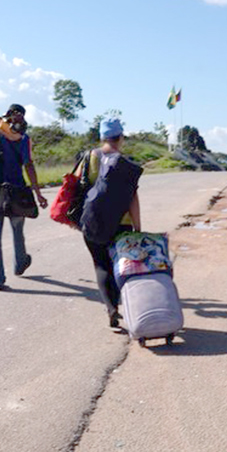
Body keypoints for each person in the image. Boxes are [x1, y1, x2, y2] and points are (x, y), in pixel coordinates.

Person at [75, 118, 141, 328]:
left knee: (100, 264)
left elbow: (74, 185)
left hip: (93, 221)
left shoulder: (89, 157)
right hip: (121, 224)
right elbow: (133, 198)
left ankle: (111, 308)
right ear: (120, 137)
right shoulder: (125, 163)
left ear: (102, 136)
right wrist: (138, 228)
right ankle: (122, 304)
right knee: (120, 266)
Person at [0, 104, 48, 291]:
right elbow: (28, 165)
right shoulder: (24, 139)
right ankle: (20, 263)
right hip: (17, 190)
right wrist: (37, 192)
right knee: (17, 228)